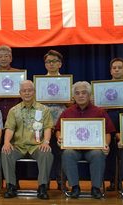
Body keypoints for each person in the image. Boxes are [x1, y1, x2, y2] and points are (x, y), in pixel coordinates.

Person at [55, 81, 115, 199]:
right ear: (73, 96)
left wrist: (106, 144)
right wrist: (59, 137)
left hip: (93, 149)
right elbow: (58, 129)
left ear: (89, 95)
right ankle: (75, 187)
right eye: (77, 93)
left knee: (98, 154)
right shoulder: (67, 112)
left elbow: (108, 132)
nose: (80, 95)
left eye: (84, 93)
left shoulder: (99, 112)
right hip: (74, 149)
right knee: (67, 154)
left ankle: (96, 188)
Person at [1, 80, 53, 200]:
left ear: (34, 92)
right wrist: (7, 142)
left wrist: (46, 142)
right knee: (5, 152)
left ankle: (42, 187)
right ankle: (11, 186)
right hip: (18, 146)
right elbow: (9, 128)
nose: (27, 93)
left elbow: (48, 128)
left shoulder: (44, 109)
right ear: (20, 93)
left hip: (37, 146)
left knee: (46, 153)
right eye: (24, 91)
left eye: (29, 90)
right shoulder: (14, 110)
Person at [42, 50, 68, 190]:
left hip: (61, 122)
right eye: (48, 62)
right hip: (43, 123)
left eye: (54, 61)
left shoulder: (66, 82)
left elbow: (70, 104)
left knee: (61, 152)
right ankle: (44, 181)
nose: (51, 64)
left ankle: (61, 180)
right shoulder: (39, 82)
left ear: (60, 64)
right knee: (44, 152)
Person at [105, 57, 123, 191]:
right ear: (110, 71)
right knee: (110, 152)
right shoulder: (103, 88)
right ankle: (113, 181)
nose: (117, 70)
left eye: (119, 67)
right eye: (114, 68)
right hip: (109, 119)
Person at [0, 45, 21, 123]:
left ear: (11, 58)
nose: (3, 59)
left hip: (15, 112)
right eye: (0, 57)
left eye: (6, 56)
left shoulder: (18, 74)